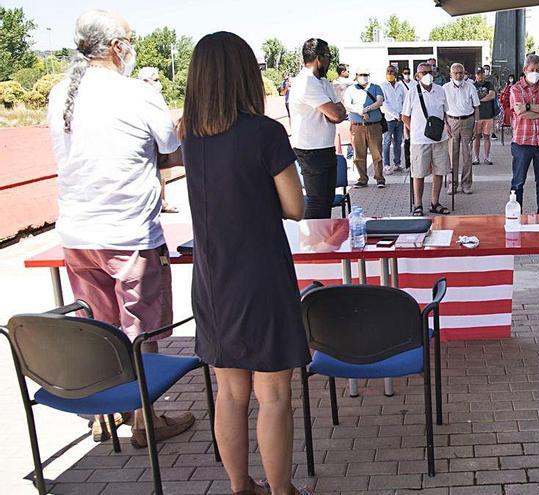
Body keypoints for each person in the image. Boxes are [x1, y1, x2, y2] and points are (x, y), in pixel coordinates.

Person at [47, 9, 193, 447]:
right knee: (140, 330)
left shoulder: (60, 93)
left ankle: (103, 413)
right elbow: (172, 152)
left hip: (77, 233)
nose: (132, 46)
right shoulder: (136, 94)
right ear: (116, 47)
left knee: (98, 326)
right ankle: (146, 420)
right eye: (129, 39)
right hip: (128, 233)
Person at [178, 31, 311, 495]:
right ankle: (282, 490)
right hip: (261, 275)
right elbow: (295, 206)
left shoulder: (189, 135)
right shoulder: (265, 132)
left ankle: (240, 487)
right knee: (273, 395)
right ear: (244, 75)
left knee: (229, 394)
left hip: (212, 277)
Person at [290, 39, 346, 219]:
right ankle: (314, 245)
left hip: (325, 148)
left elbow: (340, 112)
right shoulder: (306, 82)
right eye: (328, 57)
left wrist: (333, 112)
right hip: (311, 151)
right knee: (317, 203)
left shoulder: (323, 83)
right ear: (318, 58)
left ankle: (323, 242)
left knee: (326, 201)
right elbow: (336, 115)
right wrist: (333, 112)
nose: (330, 62)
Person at [401, 62, 451, 216]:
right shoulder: (412, 92)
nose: (427, 75)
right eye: (423, 72)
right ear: (417, 76)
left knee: (439, 171)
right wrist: (416, 130)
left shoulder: (440, 91)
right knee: (419, 173)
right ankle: (418, 205)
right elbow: (404, 116)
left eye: (430, 71)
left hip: (439, 139)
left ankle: (434, 203)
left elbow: (445, 112)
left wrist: (447, 126)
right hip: (419, 141)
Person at [509, 54, 539, 213]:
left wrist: (528, 107)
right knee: (518, 182)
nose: (535, 72)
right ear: (525, 70)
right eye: (532, 70)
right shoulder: (516, 88)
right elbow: (520, 113)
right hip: (522, 142)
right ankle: (516, 214)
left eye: (538, 70)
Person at [137, 66, 179, 214]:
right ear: (144, 80)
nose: (158, 83)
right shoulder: (148, 97)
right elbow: (168, 141)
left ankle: (162, 201)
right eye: (156, 80)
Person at [343, 67, 386, 188]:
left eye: (365, 74)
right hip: (357, 127)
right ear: (356, 75)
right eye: (361, 74)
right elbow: (347, 105)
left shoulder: (376, 87)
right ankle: (362, 179)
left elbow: (379, 101)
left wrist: (366, 109)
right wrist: (359, 111)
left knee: (377, 153)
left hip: (374, 126)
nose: (363, 76)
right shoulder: (350, 89)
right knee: (359, 154)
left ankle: (379, 178)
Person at [443, 63, 480, 195]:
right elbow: (441, 109)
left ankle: (466, 184)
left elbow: (476, 107)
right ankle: (452, 185)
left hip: (468, 122)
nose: (459, 75)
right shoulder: (445, 88)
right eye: (456, 73)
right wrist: (445, 125)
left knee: (467, 155)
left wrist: (476, 126)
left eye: (461, 73)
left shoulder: (470, 87)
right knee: (452, 155)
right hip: (452, 122)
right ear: (451, 74)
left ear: (464, 74)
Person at [381, 65, 406, 173]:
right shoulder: (383, 86)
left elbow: (405, 101)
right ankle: (386, 165)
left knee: (398, 142)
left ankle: (397, 163)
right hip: (389, 119)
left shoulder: (400, 86)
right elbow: (384, 104)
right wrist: (397, 115)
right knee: (386, 142)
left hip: (400, 120)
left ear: (396, 73)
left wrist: (403, 114)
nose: (390, 73)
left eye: (392, 71)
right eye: (388, 71)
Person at [472, 67, 496, 166]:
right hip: (477, 116)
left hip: (488, 115)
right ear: (475, 75)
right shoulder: (472, 86)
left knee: (487, 136)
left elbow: (492, 95)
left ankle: (487, 157)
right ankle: (476, 157)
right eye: (478, 74)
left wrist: (479, 101)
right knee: (476, 137)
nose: (480, 76)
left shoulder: (489, 84)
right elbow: (470, 97)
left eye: (481, 73)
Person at [400, 68, 414, 169]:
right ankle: (408, 163)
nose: (407, 75)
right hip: (404, 113)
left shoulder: (414, 83)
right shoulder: (399, 85)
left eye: (408, 73)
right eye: (405, 73)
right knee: (407, 139)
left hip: (414, 113)